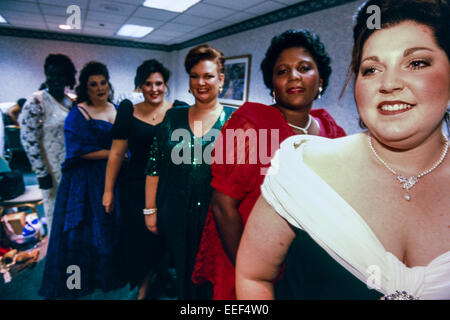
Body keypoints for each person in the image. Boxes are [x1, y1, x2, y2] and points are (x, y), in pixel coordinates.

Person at [236, 0, 450, 300]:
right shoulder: (298, 162)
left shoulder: (328, 125)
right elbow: (252, 273)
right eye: (371, 69)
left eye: (416, 63)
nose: (388, 83)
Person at [192, 30, 346, 300]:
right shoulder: (249, 124)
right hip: (255, 256)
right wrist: (251, 272)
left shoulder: (330, 129)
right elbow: (222, 204)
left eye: (304, 68)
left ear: (320, 79)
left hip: (312, 259)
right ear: (272, 83)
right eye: (283, 71)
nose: (294, 76)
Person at [144, 44, 235, 300]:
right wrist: (150, 211)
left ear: (221, 80)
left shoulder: (236, 119)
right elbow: (153, 167)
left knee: (215, 280)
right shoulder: (173, 118)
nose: (201, 82)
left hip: (218, 218)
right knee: (184, 274)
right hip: (175, 215)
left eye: (208, 76)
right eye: (195, 76)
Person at [39, 61, 125, 299]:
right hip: (85, 178)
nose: (99, 88)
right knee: (85, 229)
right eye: (93, 84)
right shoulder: (78, 114)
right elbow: (77, 150)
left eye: (103, 83)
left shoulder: (116, 108)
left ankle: (108, 272)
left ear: (108, 83)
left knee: (110, 224)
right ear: (85, 88)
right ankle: (81, 278)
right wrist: (114, 153)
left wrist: (121, 155)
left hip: (115, 174)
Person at [103, 59, 183, 299]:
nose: (154, 88)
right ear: (140, 86)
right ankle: (144, 285)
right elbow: (117, 153)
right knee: (140, 237)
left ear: (166, 85)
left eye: (159, 83)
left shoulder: (179, 110)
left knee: (166, 235)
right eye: (148, 84)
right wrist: (107, 190)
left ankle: (163, 273)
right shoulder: (128, 110)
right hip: (135, 187)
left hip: (169, 187)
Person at [18, 54, 76, 229]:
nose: (54, 79)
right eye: (51, 75)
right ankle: (56, 253)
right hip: (51, 170)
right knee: (55, 212)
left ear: (67, 77)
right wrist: (41, 172)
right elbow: (28, 139)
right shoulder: (37, 100)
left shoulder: (70, 101)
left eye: (59, 75)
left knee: (72, 211)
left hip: (71, 167)